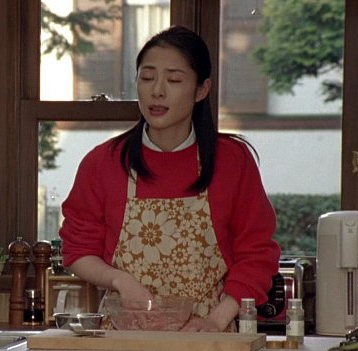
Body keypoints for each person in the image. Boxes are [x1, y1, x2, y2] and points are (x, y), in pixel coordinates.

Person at [59, 26, 280, 332]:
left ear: (201, 90)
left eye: (174, 80)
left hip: (207, 339)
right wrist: (120, 280)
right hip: (122, 342)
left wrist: (216, 320)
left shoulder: (232, 161)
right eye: (147, 78)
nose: (157, 91)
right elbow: (78, 250)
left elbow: (257, 254)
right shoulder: (103, 163)